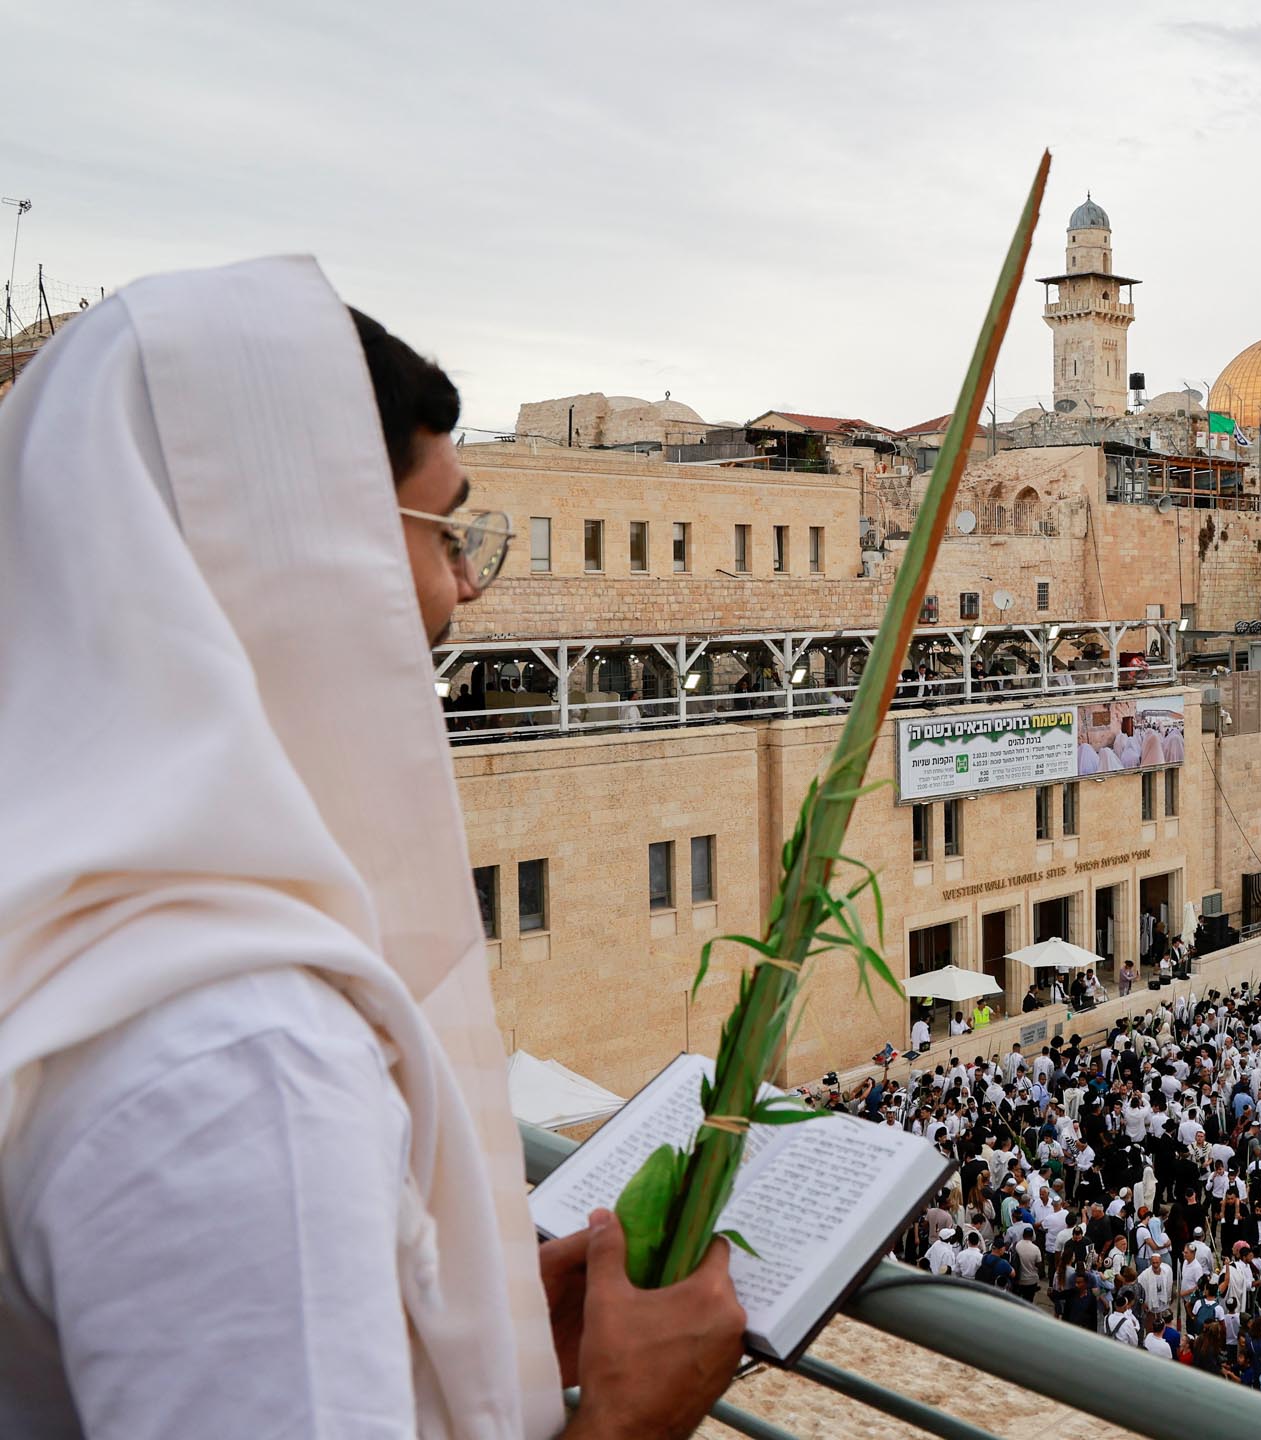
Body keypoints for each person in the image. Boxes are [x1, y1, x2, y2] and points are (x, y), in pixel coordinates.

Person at [0, 259, 746, 1437]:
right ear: (301, 549)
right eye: (444, 530)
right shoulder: (241, 1062)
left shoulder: (74, 935)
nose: (466, 586)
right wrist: (630, 1419)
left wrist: (443, 1337)